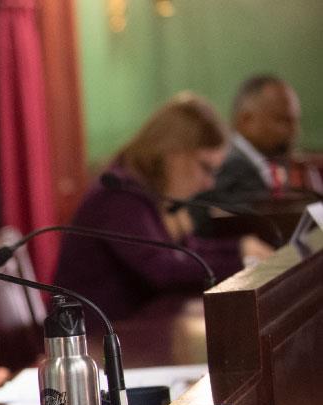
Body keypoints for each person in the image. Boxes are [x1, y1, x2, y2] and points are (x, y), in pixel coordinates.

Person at [53, 93, 273, 320]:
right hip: (97, 340)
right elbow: (163, 270)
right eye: (205, 167)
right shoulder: (118, 194)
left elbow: (187, 252)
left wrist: (239, 248)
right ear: (172, 153)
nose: (210, 183)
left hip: (132, 331)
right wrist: (242, 261)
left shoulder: (147, 191)